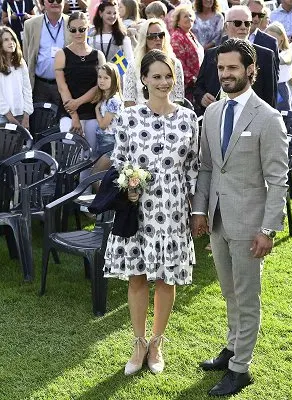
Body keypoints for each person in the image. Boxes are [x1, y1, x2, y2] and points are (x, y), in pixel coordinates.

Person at [191, 38, 289, 396]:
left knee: (247, 296)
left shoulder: (268, 118)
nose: (226, 75)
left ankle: (241, 368)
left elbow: (278, 179)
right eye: (221, 68)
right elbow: (205, 168)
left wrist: (268, 229)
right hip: (217, 220)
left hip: (250, 225)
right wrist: (200, 211)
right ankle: (233, 347)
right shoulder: (214, 112)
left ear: (251, 70)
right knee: (230, 292)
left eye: (232, 68)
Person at [103, 49, 199, 376]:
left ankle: (157, 342)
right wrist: (128, 184)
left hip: (172, 208)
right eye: (156, 76)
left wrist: (194, 209)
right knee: (138, 276)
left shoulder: (188, 118)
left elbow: (194, 169)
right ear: (143, 79)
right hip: (139, 207)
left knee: (166, 278)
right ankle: (139, 342)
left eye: (167, 76)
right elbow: (118, 160)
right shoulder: (130, 117)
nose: (163, 82)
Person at [194, 5, 278, 114]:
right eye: (237, 23)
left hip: (251, 118)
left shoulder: (265, 55)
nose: (243, 27)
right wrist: (202, 97)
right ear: (226, 26)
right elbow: (199, 87)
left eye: (247, 23)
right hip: (216, 116)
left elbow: (270, 97)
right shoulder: (211, 54)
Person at [54, 11, 105, 151]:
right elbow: (62, 87)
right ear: (69, 30)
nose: (78, 33)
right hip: (69, 113)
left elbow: (100, 86)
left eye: (82, 29)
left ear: (88, 28)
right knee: (71, 155)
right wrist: (74, 117)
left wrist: (78, 102)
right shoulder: (61, 54)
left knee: (91, 154)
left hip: (92, 112)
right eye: (73, 30)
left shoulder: (98, 55)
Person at [123, 18, 184, 106]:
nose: (157, 39)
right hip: (140, 115)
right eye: (152, 36)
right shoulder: (134, 65)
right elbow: (129, 99)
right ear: (145, 39)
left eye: (161, 35)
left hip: (169, 115)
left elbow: (179, 98)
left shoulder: (175, 63)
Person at [22, 0, 72, 105]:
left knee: (63, 120)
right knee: (39, 120)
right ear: (43, 2)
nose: (55, 2)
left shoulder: (72, 24)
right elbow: (26, 56)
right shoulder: (30, 25)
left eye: (58, 0)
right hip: (40, 86)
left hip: (65, 85)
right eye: (50, 0)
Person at [0, 26, 33, 128]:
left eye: (12, 39)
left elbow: (27, 89)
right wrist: (11, 118)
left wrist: (26, 115)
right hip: (2, 116)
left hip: (21, 114)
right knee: (3, 144)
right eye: (6, 40)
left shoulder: (21, 63)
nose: (11, 42)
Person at [91, 62, 123, 175]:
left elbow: (103, 125)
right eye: (99, 77)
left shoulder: (114, 100)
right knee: (100, 177)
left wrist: (96, 110)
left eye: (106, 78)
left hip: (110, 143)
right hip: (103, 141)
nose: (101, 80)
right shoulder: (106, 99)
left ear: (113, 79)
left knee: (95, 176)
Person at [171, 4, 204, 103]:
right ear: (178, 21)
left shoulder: (190, 34)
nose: (189, 18)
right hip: (187, 88)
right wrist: (193, 80)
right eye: (185, 16)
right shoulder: (177, 37)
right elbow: (179, 63)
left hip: (197, 84)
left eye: (190, 16)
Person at [266, 22, 292, 111]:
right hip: (268, 86)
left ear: (282, 38)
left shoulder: (287, 52)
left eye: (273, 38)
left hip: (280, 89)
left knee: (283, 117)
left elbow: (284, 59)